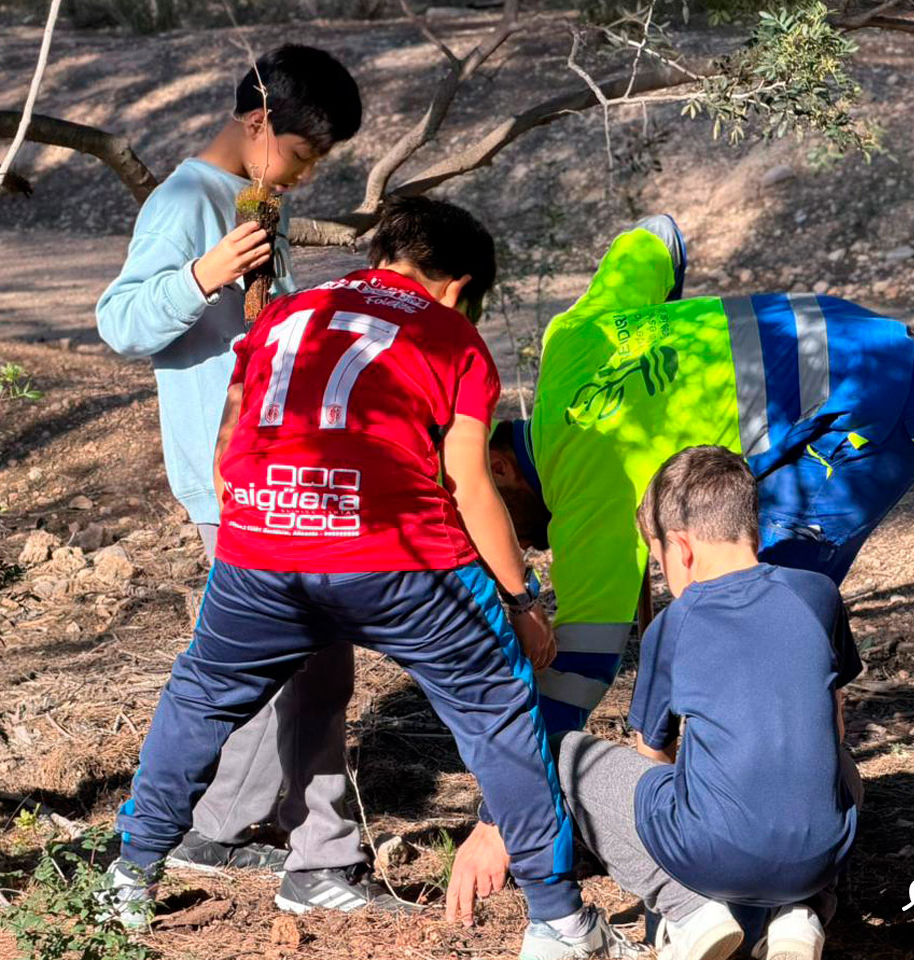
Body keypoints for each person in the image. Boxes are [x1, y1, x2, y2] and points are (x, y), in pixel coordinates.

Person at [106, 196, 640, 960]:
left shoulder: (284, 313)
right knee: (499, 712)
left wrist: (265, 523)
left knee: (200, 697)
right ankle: (558, 922)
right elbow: (467, 483)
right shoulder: (448, 335)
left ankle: (130, 876)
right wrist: (520, 600)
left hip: (262, 549)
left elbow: (229, 442)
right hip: (398, 557)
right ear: (457, 287)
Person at [448, 215, 914, 929]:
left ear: (501, 467)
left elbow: (577, 677)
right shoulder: (567, 343)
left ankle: (775, 892)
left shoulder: (588, 494)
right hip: (860, 345)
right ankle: (767, 842)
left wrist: (501, 815)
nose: (522, 547)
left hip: (872, 409)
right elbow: (657, 235)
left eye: (502, 523)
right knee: (744, 614)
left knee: (760, 612)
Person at [94, 46, 383, 911]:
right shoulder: (185, 201)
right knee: (304, 663)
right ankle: (319, 861)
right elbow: (118, 322)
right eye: (300, 156)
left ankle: (211, 831)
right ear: (258, 122)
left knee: (285, 663)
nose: (303, 175)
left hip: (284, 473)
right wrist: (201, 277)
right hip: (237, 483)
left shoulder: (259, 204)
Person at [553, 445, 863, 960]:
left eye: (659, 562)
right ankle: (801, 912)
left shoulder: (676, 622)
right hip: (821, 854)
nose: (663, 574)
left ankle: (687, 909)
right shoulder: (818, 594)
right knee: (842, 764)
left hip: (708, 858)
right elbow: (834, 722)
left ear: (682, 547)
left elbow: (651, 756)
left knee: (566, 753)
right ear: (752, 527)